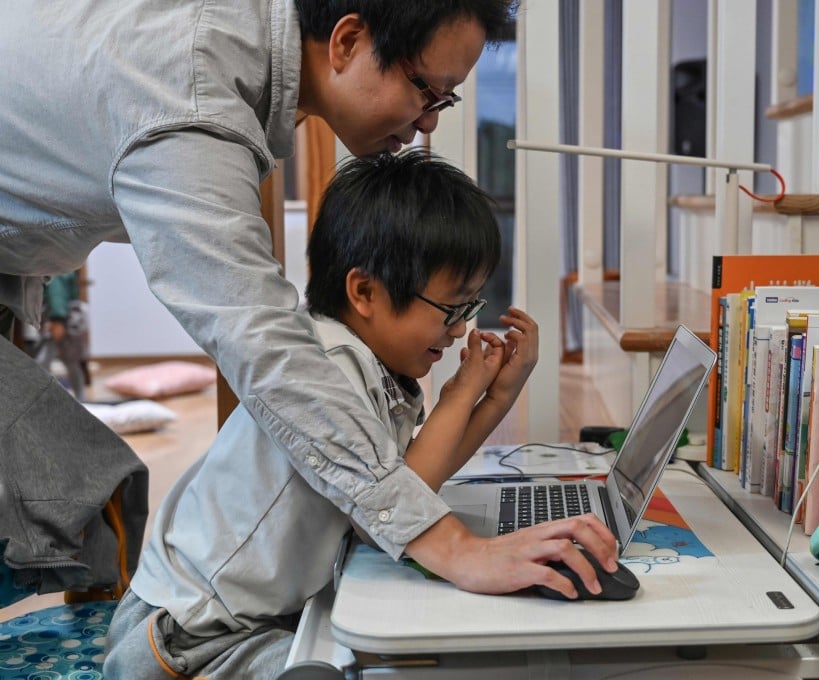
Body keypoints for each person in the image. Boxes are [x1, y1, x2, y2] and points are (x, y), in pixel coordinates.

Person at [0, 0, 617, 615]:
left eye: (445, 101)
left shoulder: (233, 61)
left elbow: (402, 478)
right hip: (194, 627)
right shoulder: (189, 100)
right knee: (65, 502)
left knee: (85, 503)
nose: (428, 124)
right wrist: (451, 545)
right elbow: (262, 344)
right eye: (427, 89)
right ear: (347, 40)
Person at [104, 150, 616, 678]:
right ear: (365, 291)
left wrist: (495, 399)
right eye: (452, 308)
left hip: (250, 618)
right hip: (188, 637)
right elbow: (396, 510)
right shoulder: (326, 365)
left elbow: (406, 490)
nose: (461, 329)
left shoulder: (368, 365)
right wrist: (465, 393)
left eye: (471, 308)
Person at [34, 270, 89, 401]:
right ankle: (81, 398)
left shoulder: (56, 270)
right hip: (67, 319)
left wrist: (57, 320)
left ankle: (42, 397)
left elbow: (56, 294)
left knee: (43, 362)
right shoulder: (66, 268)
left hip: (59, 320)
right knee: (71, 362)